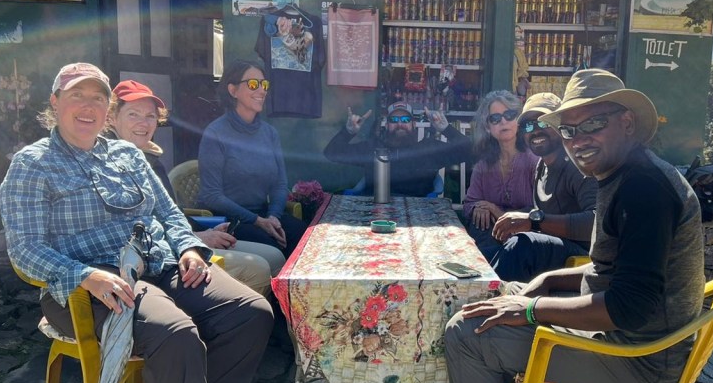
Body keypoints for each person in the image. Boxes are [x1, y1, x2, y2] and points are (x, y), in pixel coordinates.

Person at [0, 62, 273, 383]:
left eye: (97, 98)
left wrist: (189, 248)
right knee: (176, 333)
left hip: (157, 266)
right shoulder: (33, 164)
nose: (87, 106)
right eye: (76, 96)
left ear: (107, 108)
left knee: (250, 312)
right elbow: (24, 249)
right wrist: (84, 275)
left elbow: (169, 214)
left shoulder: (127, 155)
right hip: (88, 288)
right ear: (55, 103)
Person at [426, 68, 704, 383]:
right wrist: (550, 283)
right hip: (635, 345)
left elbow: (628, 306)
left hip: (639, 362)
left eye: (593, 124)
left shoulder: (643, 189)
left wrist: (532, 310)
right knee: (502, 297)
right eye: (570, 131)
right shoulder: (627, 174)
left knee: (468, 333)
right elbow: (610, 273)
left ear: (627, 122)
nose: (578, 140)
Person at [107, 79, 286, 296]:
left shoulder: (149, 159)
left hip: (184, 236)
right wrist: (197, 237)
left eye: (150, 116)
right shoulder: (108, 163)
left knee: (275, 256)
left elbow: (170, 213)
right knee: (258, 268)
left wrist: (202, 231)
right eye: (133, 114)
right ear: (112, 117)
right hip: (155, 256)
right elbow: (132, 229)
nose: (143, 123)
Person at [197, 60, 306, 256]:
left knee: (304, 238)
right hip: (229, 220)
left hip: (263, 213)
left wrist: (273, 217)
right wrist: (257, 221)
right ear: (233, 90)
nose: (262, 90)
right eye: (253, 84)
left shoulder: (269, 133)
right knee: (272, 248)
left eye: (264, 84)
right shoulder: (215, 134)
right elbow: (212, 195)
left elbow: (280, 184)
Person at [489, 92, 598, 281]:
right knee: (486, 248)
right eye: (529, 126)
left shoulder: (577, 165)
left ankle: (492, 298)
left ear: (561, 126)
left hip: (582, 259)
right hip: (553, 247)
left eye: (543, 123)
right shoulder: (541, 165)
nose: (535, 131)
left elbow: (597, 221)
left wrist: (533, 221)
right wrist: (513, 219)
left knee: (523, 245)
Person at [323, 101, 472, 197]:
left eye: (405, 120)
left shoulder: (429, 149)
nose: (400, 124)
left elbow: (469, 152)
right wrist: (348, 132)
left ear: (413, 124)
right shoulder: (373, 148)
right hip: (374, 213)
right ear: (387, 125)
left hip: (419, 217)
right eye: (394, 120)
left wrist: (446, 129)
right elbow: (332, 153)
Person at [462, 91, 538, 259]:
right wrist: (479, 207)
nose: (503, 121)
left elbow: (541, 211)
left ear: (518, 120)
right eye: (495, 118)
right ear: (488, 127)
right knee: (480, 220)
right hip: (492, 235)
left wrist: (495, 210)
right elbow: (468, 204)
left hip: (527, 236)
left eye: (509, 115)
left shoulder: (534, 161)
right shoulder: (483, 166)